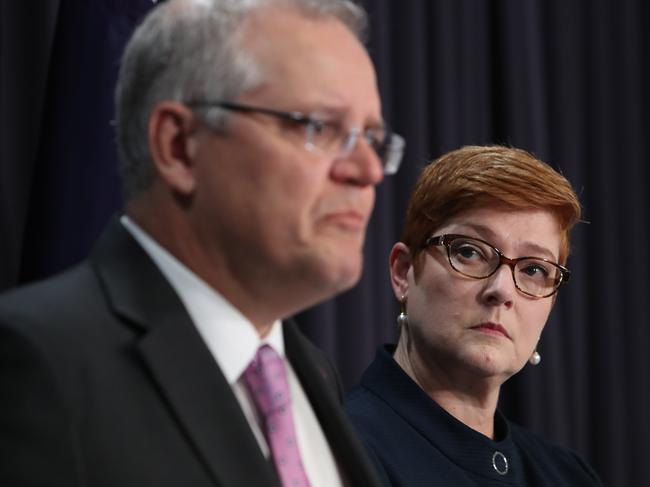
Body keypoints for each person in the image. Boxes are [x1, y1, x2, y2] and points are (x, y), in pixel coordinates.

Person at [0, 0, 405, 486]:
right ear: (179, 146)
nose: (368, 170)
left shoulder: (315, 374)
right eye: (318, 126)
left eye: (372, 138)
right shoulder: (38, 360)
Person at [346, 145, 602, 486]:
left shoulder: (569, 476)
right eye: (469, 252)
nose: (502, 290)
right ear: (404, 272)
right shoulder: (336, 446)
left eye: (534, 270)